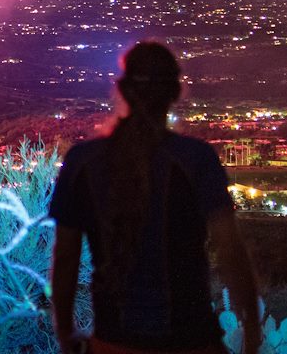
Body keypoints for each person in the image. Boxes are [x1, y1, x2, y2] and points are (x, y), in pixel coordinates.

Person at [49, 41, 261, 354]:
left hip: (113, 342)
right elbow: (230, 250)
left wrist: (65, 331)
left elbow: (66, 257)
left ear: (121, 89)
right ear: (175, 92)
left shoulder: (83, 161)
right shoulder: (195, 159)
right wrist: (252, 329)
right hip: (192, 341)